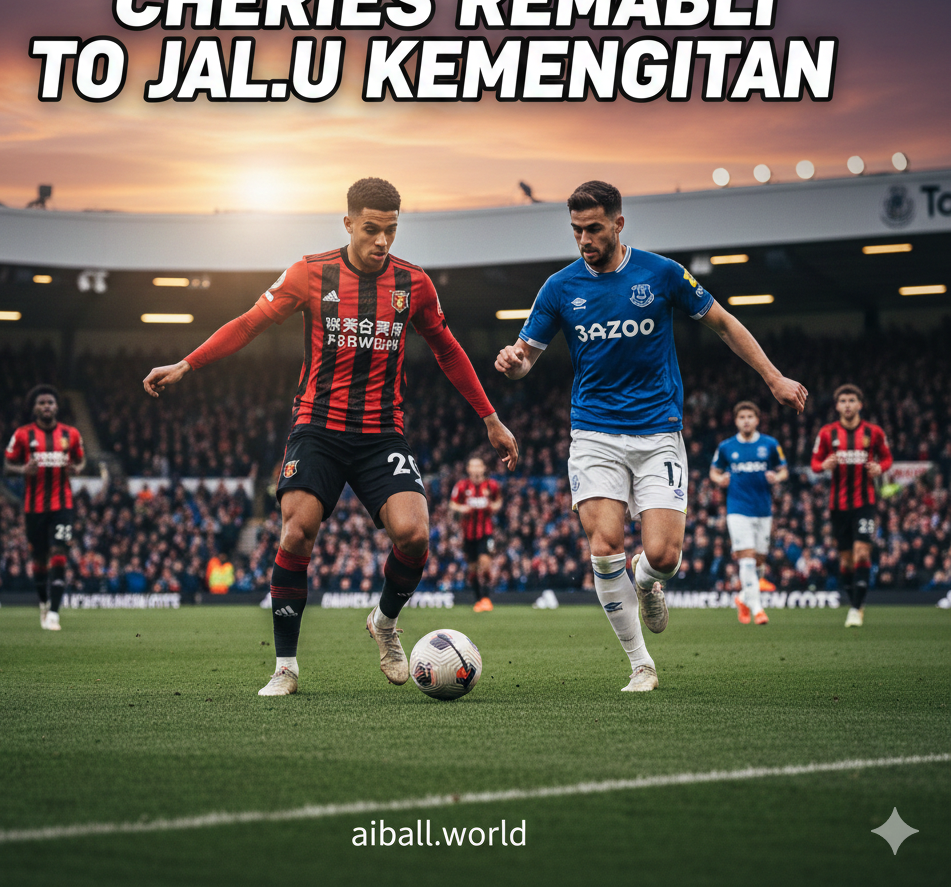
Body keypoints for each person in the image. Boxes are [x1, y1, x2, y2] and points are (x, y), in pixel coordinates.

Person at [143, 178, 518, 696]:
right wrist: (187, 363)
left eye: (390, 230)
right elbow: (249, 324)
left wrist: (490, 418)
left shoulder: (414, 284)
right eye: (371, 229)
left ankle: (384, 623)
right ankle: (285, 667)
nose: (382, 240)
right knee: (296, 532)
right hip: (317, 428)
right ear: (348, 223)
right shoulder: (310, 273)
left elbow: (448, 350)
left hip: (381, 433)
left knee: (415, 536)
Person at [495, 180, 806, 692]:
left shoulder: (661, 274)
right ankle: (641, 664)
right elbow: (526, 356)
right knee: (604, 546)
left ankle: (646, 581)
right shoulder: (559, 287)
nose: (584, 239)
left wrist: (773, 378)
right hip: (593, 432)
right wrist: (514, 362)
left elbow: (724, 324)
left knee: (663, 556)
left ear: (618, 224)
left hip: (658, 431)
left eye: (594, 228)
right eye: (576, 230)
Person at [4, 385, 86, 630]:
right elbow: (7, 466)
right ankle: (43, 603)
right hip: (34, 508)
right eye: (42, 403)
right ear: (34, 408)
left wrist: (78, 468)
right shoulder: (23, 434)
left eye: (50, 402)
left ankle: (54, 613)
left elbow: (81, 460)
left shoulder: (71, 434)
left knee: (59, 553)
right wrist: (22, 469)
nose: (47, 406)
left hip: (63, 505)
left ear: (57, 406)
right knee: (39, 559)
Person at [810, 384, 892, 627]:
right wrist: (824, 465)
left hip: (865, 503)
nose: (847, 405)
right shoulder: (827, 433)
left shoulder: (873, 432)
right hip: (838, 506)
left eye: (851, 400)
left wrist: (880, 468)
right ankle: (855, 602)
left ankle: (856, 609)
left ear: (860, 404)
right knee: (846, 560)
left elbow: (887, 458)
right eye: (843, 401)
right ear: (837, 406)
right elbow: (814, 463)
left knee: (862, 552)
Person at [709, 400, 788, 625]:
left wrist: (777, 477)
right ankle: (758, 609)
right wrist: (720, 479)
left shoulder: (770, 444)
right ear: (736, 421)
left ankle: (743, 598)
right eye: (742, 417)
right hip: (738, 510)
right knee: (747, 559)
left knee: (759, 560)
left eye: (750, 417)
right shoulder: (726, 446)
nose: (746, 421)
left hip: (763, 510)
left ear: (757, 420)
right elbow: (714, 471)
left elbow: (784, 470)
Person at [450, 456, 503, 611]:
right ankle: (478, 599)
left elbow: (498, 501)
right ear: (468, 469)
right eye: (473, 466)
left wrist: (493, 506)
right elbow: (453, 503)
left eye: (479, 465)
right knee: (472, 568)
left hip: (486, 532)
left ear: (484, 468)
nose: (476, 469)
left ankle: (486, 598)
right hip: (468, 534)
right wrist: (462, 508)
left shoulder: (492, 485)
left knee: (485, 562)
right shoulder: (462, 486)